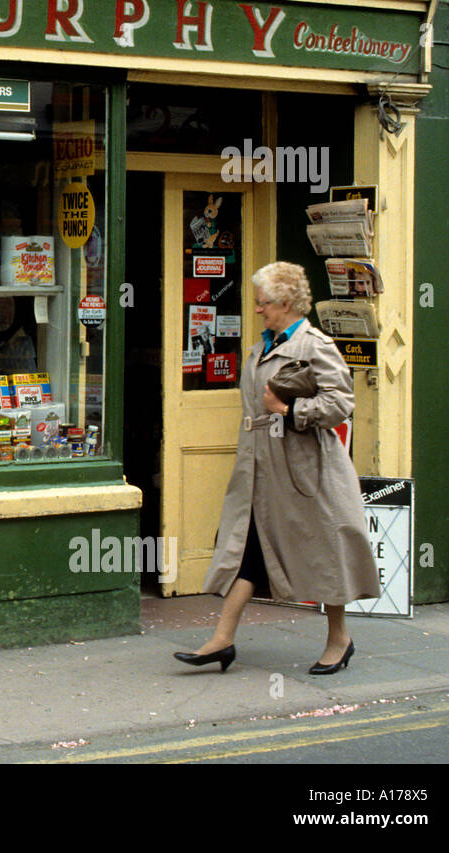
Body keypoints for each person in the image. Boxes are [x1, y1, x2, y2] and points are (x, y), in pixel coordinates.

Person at [174, 261, 380, 675]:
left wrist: (288, 410)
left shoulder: (314, 345)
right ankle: (222, 640)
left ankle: (340, 639)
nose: (257, 310)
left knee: (324, 550)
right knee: (249, 549)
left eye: (262, 303)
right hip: (262, 469)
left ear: (285, 303)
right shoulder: (262, 345)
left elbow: (341, 403)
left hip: (307, 472)